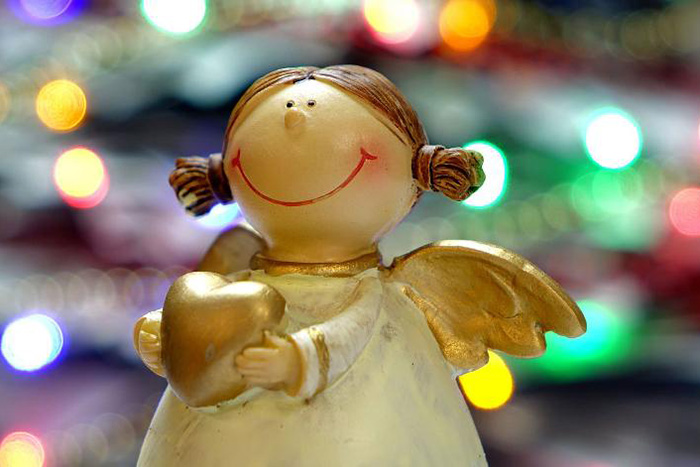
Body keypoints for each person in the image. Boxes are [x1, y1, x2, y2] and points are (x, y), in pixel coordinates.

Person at [134, 65, 585, 466]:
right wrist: (165, 336)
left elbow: (351, 330)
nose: (295, 116)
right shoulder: (230, 269)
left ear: (416, 169)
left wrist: (299, 360)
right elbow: (203, 333)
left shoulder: (372, 295)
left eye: (313, 108)